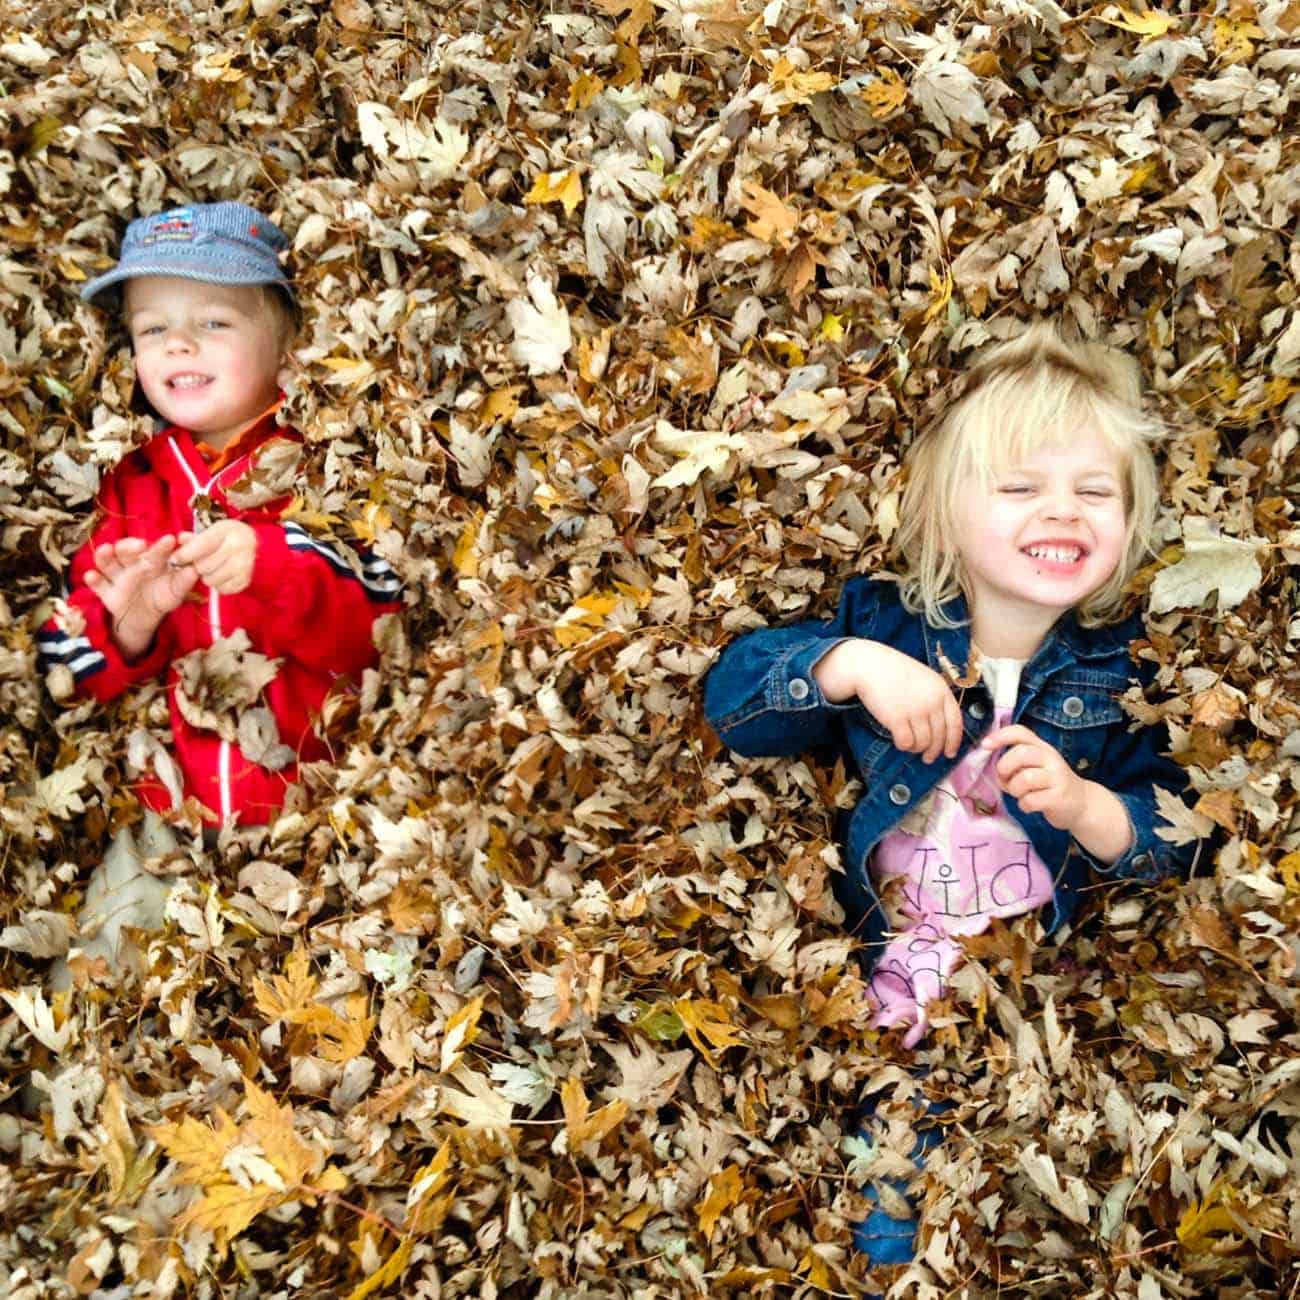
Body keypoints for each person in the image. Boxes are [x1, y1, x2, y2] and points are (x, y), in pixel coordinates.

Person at [702, 323, 1197, 1265]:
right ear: (942, 515)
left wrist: (1090, 808)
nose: (1063, 512)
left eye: (1096, 492)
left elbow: (1176, 828)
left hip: (1029, 997)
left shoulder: (1121, 672)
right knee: (888, 1215)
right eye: (1020, 488)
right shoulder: (888, 624)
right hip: (884, 973)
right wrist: (853, 668)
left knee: (1042, 1216)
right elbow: (736, 702)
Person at [38, 201, 402, 980]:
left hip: (329, 809)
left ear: (287, 343)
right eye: (151, 329)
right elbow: (67, 666)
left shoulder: (324, 464)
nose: (177, 343)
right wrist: (127, 627)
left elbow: (379, 627)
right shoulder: (133, 484)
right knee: (89, 981)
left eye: (214, 322)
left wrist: (272, 562)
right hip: (180, 808)